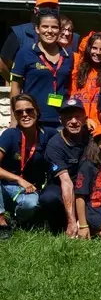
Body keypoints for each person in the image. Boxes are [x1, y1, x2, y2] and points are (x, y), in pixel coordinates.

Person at [9, 9, 73, 129]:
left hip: (60, 122)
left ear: (59, 30)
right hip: (32, 120)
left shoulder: (68, 56)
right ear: (37, 29)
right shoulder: (25, 53)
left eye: (54, 27)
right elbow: (15, 87)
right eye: (45, 27)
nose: (49, 31)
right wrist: (14, 119)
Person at [0, 94, 51, 235]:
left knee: (31, 204)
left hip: (29, 189)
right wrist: (18, 179)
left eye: (29, 110)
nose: (25, 115)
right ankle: (2, 223)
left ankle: (19, 220)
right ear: (15, 116)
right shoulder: (10, 134)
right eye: (19, 112)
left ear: (37, 111)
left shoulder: (47, 134)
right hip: (4, 187)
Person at [38, 98, 89, 235]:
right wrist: (72, 221)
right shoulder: (54, 144)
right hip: (62, 185)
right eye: (68, 117)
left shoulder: (92, 137)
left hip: (87, 186)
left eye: (77, 116)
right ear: (61, 120)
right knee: (49, 198)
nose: (73, 121)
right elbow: (66, 183)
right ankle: (61, 225)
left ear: (85, 119)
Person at [1, 0, 65, 81]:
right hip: (28, 92)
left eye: (53, 9)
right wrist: (15, 83)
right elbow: (2, 64)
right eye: (44, 9)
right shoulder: (18, 33)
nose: (49, 12)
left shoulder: (67, 35)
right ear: (35, 10)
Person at [71, 32, 101, 129]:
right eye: (94, 48)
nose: (97, 52)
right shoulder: (77, 67)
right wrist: (85, 119)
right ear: (88, 48)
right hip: (77, 123)